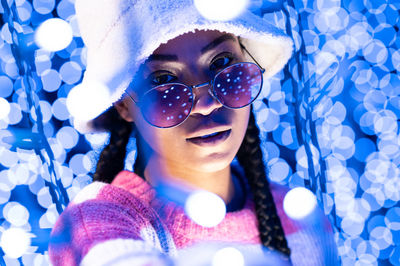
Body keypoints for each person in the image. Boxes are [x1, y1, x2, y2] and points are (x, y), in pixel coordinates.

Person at [49, 0, 338, 265]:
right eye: (164, 80)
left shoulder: (300, 220)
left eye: (222, 63)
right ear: (123, 104)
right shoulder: (95, 222)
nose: (208, 102)